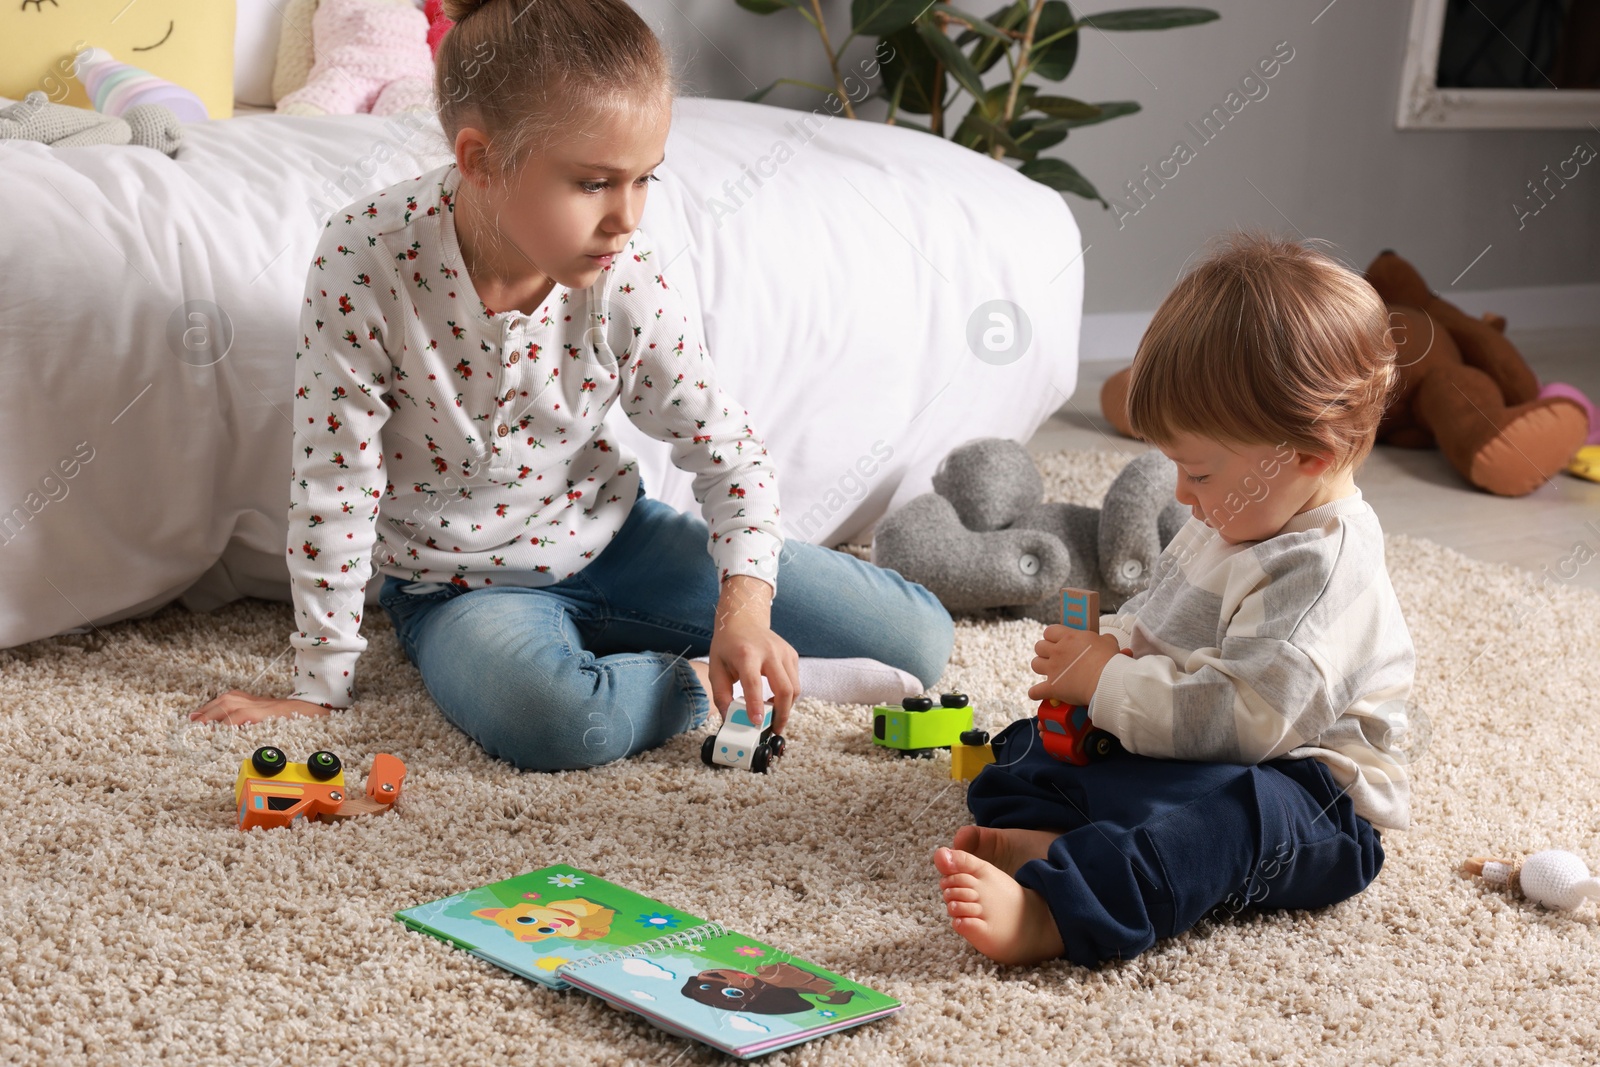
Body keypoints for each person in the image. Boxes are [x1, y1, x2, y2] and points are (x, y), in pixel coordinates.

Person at [192, 0, 953, 771]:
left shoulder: (625, 274)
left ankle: (679, 647)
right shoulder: (365, 258)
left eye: (645, 179)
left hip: (616, 539)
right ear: (480, 159)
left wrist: (746, 610)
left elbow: (725, 448)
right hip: (461, 590)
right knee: (553, 719)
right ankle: (691, 679)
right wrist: (319, 685)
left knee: (917, 640)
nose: (626, 217)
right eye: (594, 183)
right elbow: (335, 482)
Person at [934, 233, 1417, 966]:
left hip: (1305, 793)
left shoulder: (1318, 568)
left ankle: (1058, 912)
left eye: (1199, 472)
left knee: (1226, 822)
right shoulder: (1239, 508)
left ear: (1309, 455)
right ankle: (1065, 838)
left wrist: (1107, 680)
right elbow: (1167, 619)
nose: (1184, 496)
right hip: (1203, 740)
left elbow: (1244, 721)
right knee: (1023, 754)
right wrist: (1109, 651)